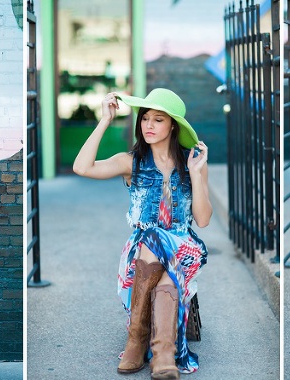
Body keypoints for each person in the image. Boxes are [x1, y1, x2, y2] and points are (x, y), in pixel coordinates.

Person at [73, 89, 211, 379]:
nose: (148, 125)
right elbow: (81, 167)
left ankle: (138, 342)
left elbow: (203, 219)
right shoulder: (130, 162)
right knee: (158, 260)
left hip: (183, 246)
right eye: (145, 118)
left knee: (157, 242)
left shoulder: (192, 162)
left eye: (157, 120)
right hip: (141, 250)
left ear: (172, 125)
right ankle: (159, 353)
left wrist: (197, 174)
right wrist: (104, 121)